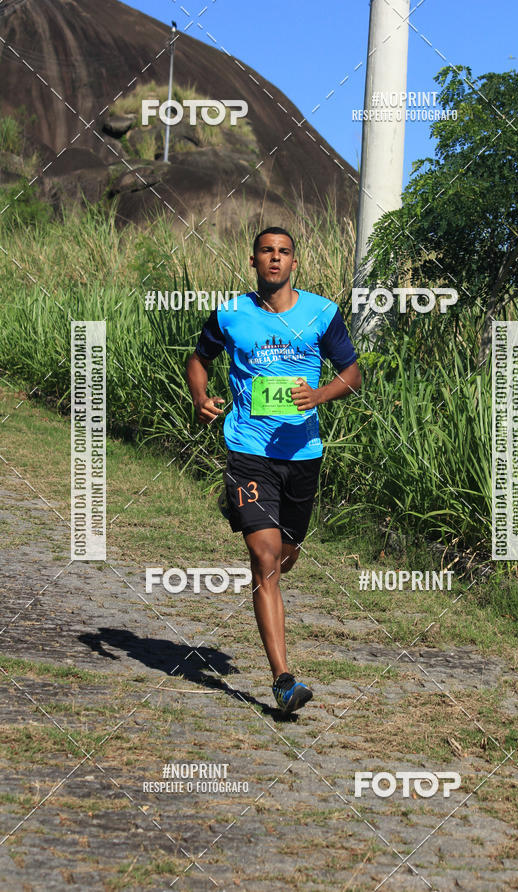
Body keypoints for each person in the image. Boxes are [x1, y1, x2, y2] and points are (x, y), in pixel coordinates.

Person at [186, 227, 362, 714]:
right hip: (248, 451)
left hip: (302, 454)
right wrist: (200, 397)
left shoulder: (322, 313)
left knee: (285, 555)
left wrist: (319, 395)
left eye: (284, 252)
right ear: (254, 260)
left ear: (294, 263)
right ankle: (283, 680)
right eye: (267, 251)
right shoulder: (230, 314)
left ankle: (257, 535)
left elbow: (353, 374)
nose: (275, 258)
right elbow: (198, 360)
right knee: (264, 560)